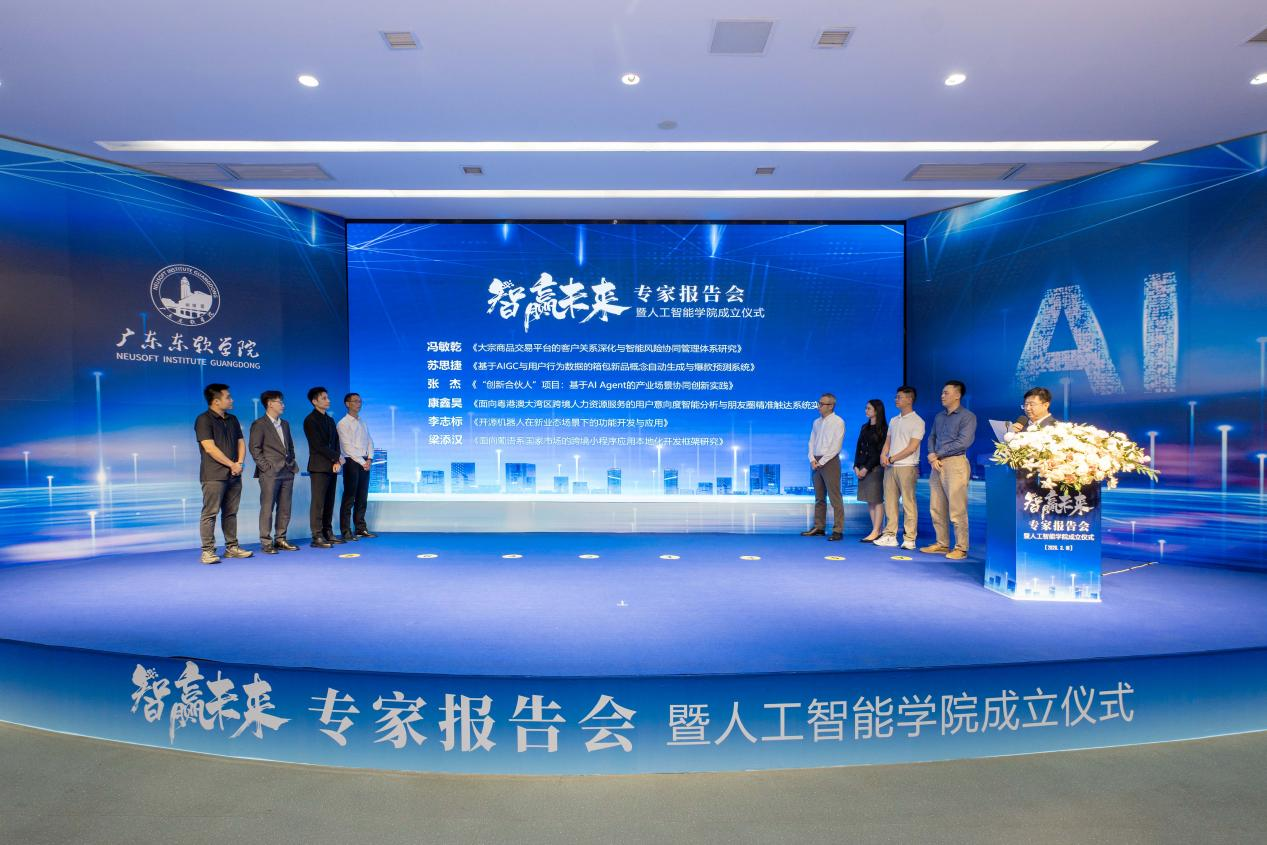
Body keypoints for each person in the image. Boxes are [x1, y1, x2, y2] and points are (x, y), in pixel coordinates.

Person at [194, 383, 252, 564]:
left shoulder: (232, 419)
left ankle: (232, 548)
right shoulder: (203, 420)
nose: (232, 400)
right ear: (216, 401)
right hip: (213, 475)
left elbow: (241, 442)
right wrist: (231, 464)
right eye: (228, 397)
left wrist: (239, 463)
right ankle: (208, 551)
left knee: (231, 513)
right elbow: (209, 448)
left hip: (234, 474)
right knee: (210, 513)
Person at [922, 380, 978, 561]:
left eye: (946, 393)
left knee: (957, 508)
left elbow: (963, 442)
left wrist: (937, 454)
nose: (942, 396)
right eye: (942, 393)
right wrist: (932, 455)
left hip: (955, 463)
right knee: (936, 507)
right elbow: (931, 437)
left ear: (957, 395)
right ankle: (941, 543)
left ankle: (961, 547)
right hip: (936, 464)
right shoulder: (939, 416)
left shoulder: (967, 416)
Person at [249, 390, 300, 554]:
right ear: (270, 404)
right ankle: (266, 542)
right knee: (267, 507)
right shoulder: (259, 424)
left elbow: (290, 446)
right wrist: (266, 468)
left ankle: (280, 539)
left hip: (287, 470)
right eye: (280, 402)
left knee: (285, 507)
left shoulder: (285, 424)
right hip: (270, 473)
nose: (283, 405)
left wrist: (291, 462)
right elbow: (255, 449)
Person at [874, 387, 924, 550]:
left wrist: (892, 458)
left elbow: (912, 447)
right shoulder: (894, 420)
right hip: (890, 467)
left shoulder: (918, 421)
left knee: (908, 503)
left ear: (910, 399)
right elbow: (888, 442)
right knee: (890, 502)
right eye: (896, 397)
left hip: (907, 467)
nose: (896, 400)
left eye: (899, 397)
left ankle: (910, 538)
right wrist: (883, 455)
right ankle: (890, 535)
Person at [801, 392, 846, 541]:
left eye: (821, 404)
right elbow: (811, 442)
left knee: (834, 496)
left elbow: (836, 446)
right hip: (816, 461)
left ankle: (838, 530)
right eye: (818, 403)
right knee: (819, 497)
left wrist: (822, 461)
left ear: (831, 406)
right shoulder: (816, 422)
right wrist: (812, 459)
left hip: (830, 460)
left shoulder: (838, 422)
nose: (818, 406)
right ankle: (819, 527)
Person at [303, 386, 343, 548]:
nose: (328, 401)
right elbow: (318, 445)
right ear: (314, 401)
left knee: (329, 501)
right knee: (318, 502)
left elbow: (336, 442)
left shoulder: (330, 420)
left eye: (328, 397)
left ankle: (328, 532)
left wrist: (337, 461)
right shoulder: (310, 420)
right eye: (324, 398)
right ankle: (317, 536)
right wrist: (336, 457)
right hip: (319, 467)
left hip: (332, 466)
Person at [337, 392, 378, 541]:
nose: (358, 404)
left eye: (360, 401)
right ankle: (346, 530)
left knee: (362, 496)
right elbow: (347, 447)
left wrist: (370, 459)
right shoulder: (342, 423)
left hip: (365, 462)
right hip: (351, 462)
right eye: (355, 401)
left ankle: (360, 528)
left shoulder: (362, 422)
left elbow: (369, 441)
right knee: (349, 497)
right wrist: (362, 462)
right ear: (347, 404)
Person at [854, 399, 888, 542]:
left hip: (875, 469)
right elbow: (859, 448)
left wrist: (867, 468)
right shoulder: (864, 427)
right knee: (870, 500)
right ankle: (876, 530)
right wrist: (856, 466)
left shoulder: (884, 429)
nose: (866, 411)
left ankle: (876, 530)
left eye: (868, 408)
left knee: (876, 499)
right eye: (865, 408)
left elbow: (879, 452)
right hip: (862, 467)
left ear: (877, 410)